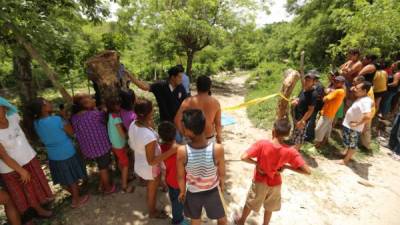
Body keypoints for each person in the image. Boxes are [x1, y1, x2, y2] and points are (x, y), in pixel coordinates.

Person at [234, 119, 311, 225]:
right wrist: (287, 167)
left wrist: (256, 163)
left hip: (260, 180)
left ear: (273, 131)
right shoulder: (290, 151)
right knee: (269, 207)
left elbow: (243, 157)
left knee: (251, 202)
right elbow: (307, 171)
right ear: (288, 134)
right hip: (275, 184)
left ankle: (241, 221)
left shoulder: (262, 144)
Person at [0, 97, 53, 218]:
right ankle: (35, 213)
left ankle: (41, 206)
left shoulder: (13, 118)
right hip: (12, 169)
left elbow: (24, 127)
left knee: (34, 188)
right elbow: (3, 156)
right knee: (24, 192)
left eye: (0, 108)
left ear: (5, 108)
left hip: (28, 159)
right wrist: (21, 170)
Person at [31, 98, 89, 208]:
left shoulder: (35, 123)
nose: (50, 102)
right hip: (67, 152)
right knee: (73, 178)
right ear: (43, 108)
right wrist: (64, 119)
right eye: (47, 102)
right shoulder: (57, 119)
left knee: (64, 178)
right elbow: (71, 132)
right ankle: (76, 200)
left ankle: (74, 193)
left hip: (53, 155)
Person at [128, 98, 177, 219]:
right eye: (152, 109)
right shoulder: (148, 136)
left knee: (154, 183)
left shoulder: (134, 124)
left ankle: (160, 185)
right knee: (152, 190)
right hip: (149, 168)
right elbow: (152, 161)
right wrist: (173, 150)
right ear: (149, 113)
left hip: (140, 161)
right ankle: (152, 211)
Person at [176, 109, 227, 225]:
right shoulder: (217, 149)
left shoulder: (182, 151)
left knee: (195, 220)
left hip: (193, 192)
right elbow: (222, 173)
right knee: (222, 219)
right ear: (204, 125)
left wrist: (182, 191)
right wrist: (222, 184)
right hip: (212, 191)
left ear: (187, 131)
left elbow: (180, 177)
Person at [71, 94, 116, 194]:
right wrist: (103, 110)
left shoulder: (74, 117)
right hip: (101, 147)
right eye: (91, 99)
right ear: (85, 104)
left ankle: (101, 184)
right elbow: (105, 120)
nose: (94, 99)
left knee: (101, 165)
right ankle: (107, 188)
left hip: (88, 149)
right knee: (103, 167)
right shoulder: (95, 114)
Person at [158, 122, 189, 225]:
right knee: (178, 202)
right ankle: (177, 221)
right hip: (179, 182)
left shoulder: (161, 149)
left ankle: (178, 216)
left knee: (174, 198)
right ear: (175, 133)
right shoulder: (182, 149)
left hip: (169, 180)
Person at [175, 76, 222, 144]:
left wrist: (184, 134)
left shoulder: (188, 101)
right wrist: (219, 138)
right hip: (209, 139)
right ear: (210, 87)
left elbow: (177, 120)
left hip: (191, 139)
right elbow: (218, 123)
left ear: (197, 86)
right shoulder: (215, 102)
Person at [340, 81, 373, 165]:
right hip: (349, 125)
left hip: (354, 128)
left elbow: (368, 116)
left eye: (357, 88)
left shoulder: (365, 101)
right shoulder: (362, 98)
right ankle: (345, 154)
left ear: (364, 91)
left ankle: (346, 160)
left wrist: (357, 124)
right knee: (348, 142)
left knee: (352, 144)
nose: (355, 89)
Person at [107, 100, 133, 193]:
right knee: (126, 164)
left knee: (121, 161)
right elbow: (121, 133)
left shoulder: (110, 115)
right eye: (118, 104)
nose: (120, 106)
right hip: (119, 144)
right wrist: (127, 138)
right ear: (114, 107)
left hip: (114, 144)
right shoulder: (116, 118)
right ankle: (124, 186)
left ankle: (124, 175)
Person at [315, 76, 346, 147]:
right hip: (331, 112)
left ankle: (317, 143)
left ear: (342, 83)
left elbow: (325, 99)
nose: (335, 83)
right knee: (327, 128)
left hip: (327, 112)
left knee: (319, 128)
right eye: (335, 81)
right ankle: (325, 141)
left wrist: (326, 95)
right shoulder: (342, 91)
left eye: (338, 82)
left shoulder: (338, 91)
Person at [291, 71, 318, 150]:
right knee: (296, 133)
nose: (306, 82)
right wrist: (295, 100)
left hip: (302, 119)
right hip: (297, 116)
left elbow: (310, 110)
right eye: (306, 79)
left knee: (299, 136)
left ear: (314, 82)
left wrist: (302, 120)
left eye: (309, 80)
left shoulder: (313, 94)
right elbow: (300, 99)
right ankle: (294, 149)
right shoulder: (304, 89)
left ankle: (295, 151)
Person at [353, 76, 375, 150]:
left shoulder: (367, 90)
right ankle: (362, 144)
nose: (354, 83)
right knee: (363, 128)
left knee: (365, 129)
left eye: (355, 81)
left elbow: (370, 103)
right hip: (366, 110)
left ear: (360, 81)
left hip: (368, 111)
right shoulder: (366, 88)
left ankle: (366, 146)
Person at [304, 71, 324, 142]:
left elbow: (319, 97)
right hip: (311, 105)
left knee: (311, 121)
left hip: (315, 107)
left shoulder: (319, 86)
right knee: (309, 120)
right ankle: (308, 134)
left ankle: (309, 136)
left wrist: (311, 96)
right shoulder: (313, 85)